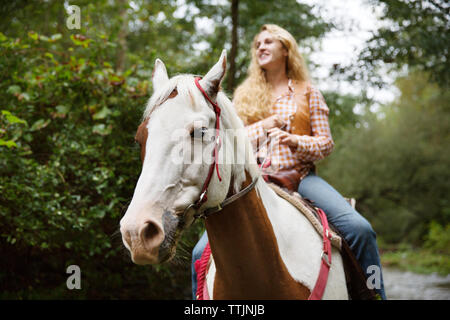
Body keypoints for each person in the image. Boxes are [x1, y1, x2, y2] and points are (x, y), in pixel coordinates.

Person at [192, 24, 386, 300]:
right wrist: (267, 125)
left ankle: (375, 294)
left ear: (286, 50)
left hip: (301, 178)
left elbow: (325, 145)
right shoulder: (244, 93)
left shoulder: (308, 92)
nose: (261, 47)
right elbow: (231, 142)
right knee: (200, 253)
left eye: (269, 42)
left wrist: (294, 140)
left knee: (360, 229)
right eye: (258, 43)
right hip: (254, 183)